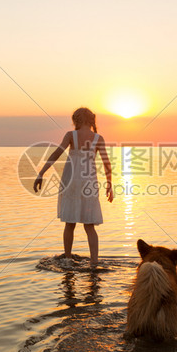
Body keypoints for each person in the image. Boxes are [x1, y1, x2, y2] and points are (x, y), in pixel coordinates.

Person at [34, 107, 114, 264]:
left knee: (69, 224)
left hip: (71, 180)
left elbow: (56, 153)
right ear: (91, 120)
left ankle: (68, 259)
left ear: (75, 121)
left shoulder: (71, 135)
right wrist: (109, 184)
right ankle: (94, 261)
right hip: (89, 180)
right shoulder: (98, 138)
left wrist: (41, 173)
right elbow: (107, 163)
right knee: (89, 226)